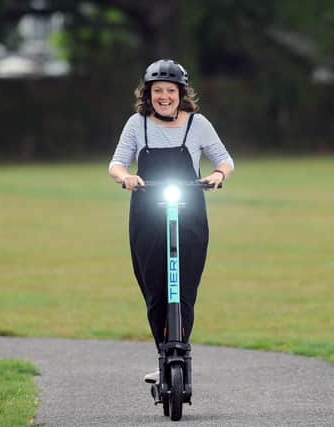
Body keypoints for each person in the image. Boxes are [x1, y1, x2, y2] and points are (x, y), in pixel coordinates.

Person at [108, 59, 234, 383]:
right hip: (147, 215)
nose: (164, 96)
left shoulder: (198, 124)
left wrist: (218, 175)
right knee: (155, 290)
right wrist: (127, 177)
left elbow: (225, 160)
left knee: (184, 289)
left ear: (181, 93)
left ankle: (180, 350)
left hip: (189, 210)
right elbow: (116, 164)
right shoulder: (137, 124)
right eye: (158, 91)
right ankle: (163, 354)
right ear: (148, 94)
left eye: (171, 91)